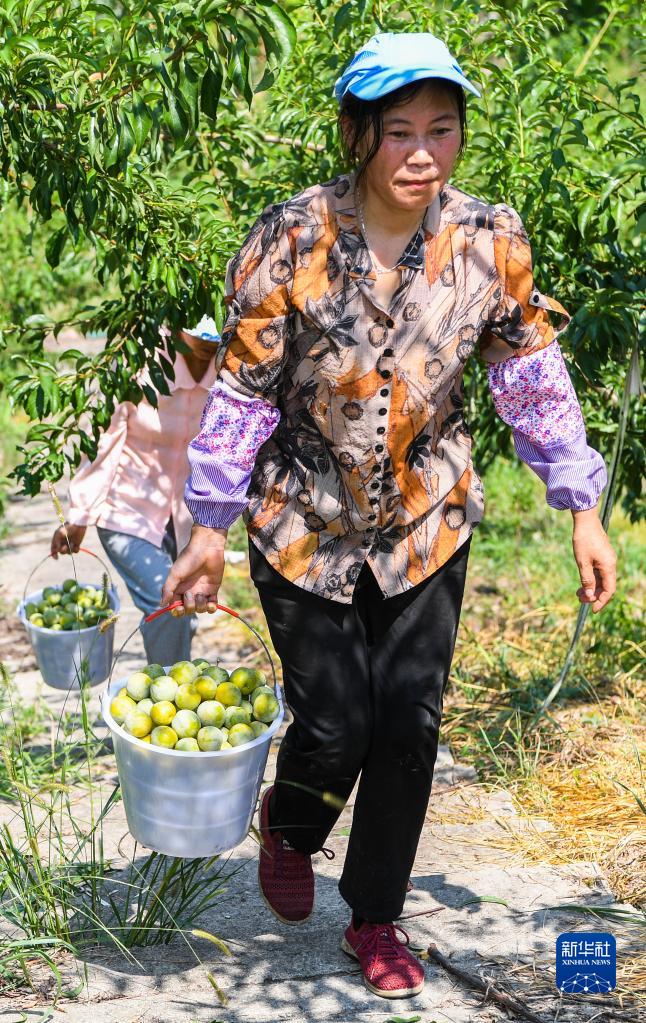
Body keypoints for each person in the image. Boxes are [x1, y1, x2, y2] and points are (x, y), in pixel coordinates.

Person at [162, 32, 617, 999]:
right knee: (335, 723)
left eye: (441, 130)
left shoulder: (488, 240)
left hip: (425, 519)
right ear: (357, 133)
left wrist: (581, 505)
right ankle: (291, 825)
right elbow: (241, 391)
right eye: (399, 131)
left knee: (408, 723)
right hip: (303, 517)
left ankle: (374, 914)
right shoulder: (292, 238)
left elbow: (531, 378)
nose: (421, 153)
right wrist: (207, 528)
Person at [51, 322, 219, 666]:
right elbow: (103, 441)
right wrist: (80, 515)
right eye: (197, 329)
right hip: (127, 510)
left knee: (184, 614)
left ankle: (168, 679)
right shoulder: (142, 362)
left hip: (186, 520)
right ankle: (171, 691)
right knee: (167, 603)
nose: (207, 339)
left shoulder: (230, 370)